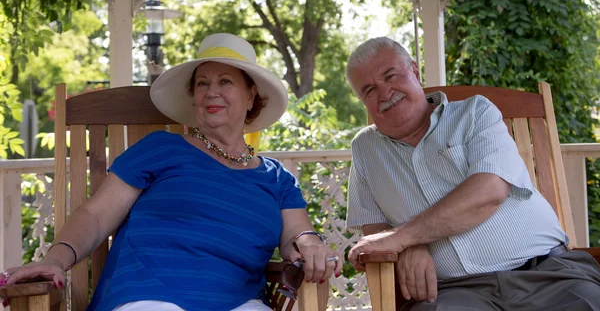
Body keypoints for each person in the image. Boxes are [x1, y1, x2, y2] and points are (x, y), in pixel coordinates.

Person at [2, 33, 342, 311]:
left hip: (240, 302)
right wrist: (56, 260)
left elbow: (299, 235)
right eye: (202, 83)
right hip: (149, 294)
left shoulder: (276, 178)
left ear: (252, 95)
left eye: (226, 81)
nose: (212, 91)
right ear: (193, 96)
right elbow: (96, 215)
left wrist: (311, 245)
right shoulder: (162, 148)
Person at [343, 37, 600, 310]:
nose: (384, 94)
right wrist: (409, 245)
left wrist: (402, 238)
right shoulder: (365, 149)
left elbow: (488, 192)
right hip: (454, 294)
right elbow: (376, 233)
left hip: (549, 275)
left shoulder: (475, 112)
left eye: (390, 76)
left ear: (416, 72)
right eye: (369, 90)